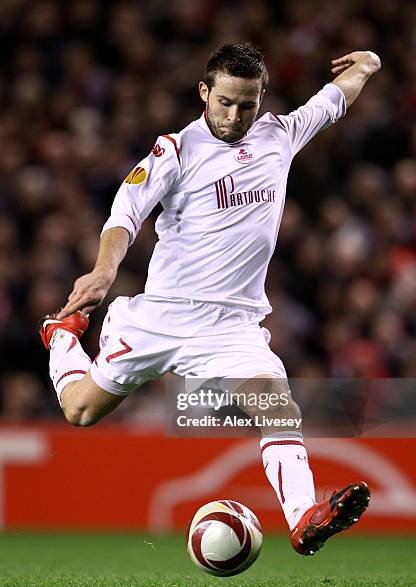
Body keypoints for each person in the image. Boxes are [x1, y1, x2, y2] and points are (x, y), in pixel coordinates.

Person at [39, 43, 381, 555]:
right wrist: (103, 271)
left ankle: (305, 517)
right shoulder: (174, 150)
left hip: (232, 326)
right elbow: (124, 214)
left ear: (261, 98)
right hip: (160, 317)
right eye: (224, 101)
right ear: (204, 91)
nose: (235, 115)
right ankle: (61, 336)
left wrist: (369, 64)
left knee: (277, 408)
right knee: (80, 411)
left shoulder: (280, 135)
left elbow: (338, 96)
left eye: (247, 104)